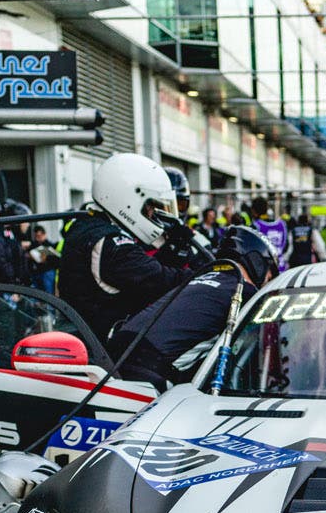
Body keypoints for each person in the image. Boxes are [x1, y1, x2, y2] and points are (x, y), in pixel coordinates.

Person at [111, 225, 279, 390]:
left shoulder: (197, 279)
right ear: (258, 263)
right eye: (270, 274)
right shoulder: (245, 292)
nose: (268, 280)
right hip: (150, 369)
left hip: (115, 351)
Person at [57, 153, 195, 341]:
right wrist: (208, 276)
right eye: (150, 207)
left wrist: (173, 250)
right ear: (130, 199)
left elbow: (143, 272)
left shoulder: (88, 227)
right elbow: (156, 279)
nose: (152, 213)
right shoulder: (109, 242)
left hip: (93, 341)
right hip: (101, 352)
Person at [250, 196, 290, 272]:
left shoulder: (255, 226)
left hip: (264, 271)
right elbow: (286, 246)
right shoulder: (281, 224)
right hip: (281, 267)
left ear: (253, 211)